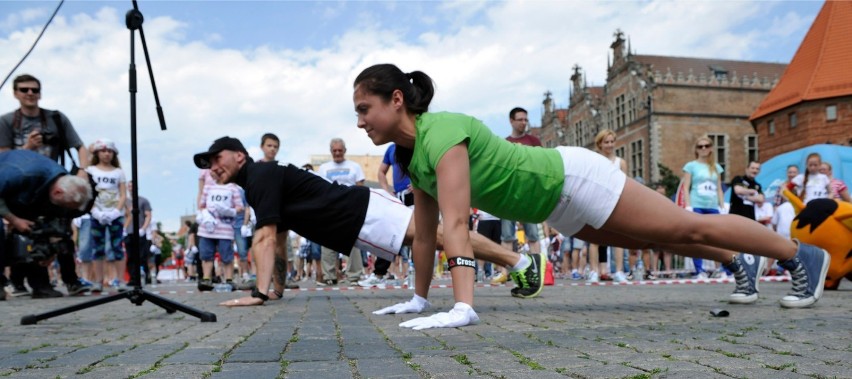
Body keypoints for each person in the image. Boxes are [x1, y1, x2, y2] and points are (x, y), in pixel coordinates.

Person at [352, 63, 831, 329]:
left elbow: (457, 226)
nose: (360, 122)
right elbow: (427, 234)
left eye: (364, 109)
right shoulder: (411, 156)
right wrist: (417, 299)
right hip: (558, 207)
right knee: (652, 241)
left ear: (396, 99)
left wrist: (462, 307)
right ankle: (735, 262)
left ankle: (799, 256)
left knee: (688, 224)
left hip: (575, 179)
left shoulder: (443, 133)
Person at [191, 136, 541, 307]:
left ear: (239, 155)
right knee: (437, 237)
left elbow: (265, 239)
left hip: (362, 212)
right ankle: (520, 262)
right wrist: (276, 289)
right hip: (358, 218)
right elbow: (278, 238)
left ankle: (520, 261)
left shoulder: (260, 176)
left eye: (216, 158)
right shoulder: (259, 180)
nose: (212, 166)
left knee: (438, 236)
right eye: (207, 164)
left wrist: (258, 294)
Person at [0, 74, 92, 297]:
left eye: (34, 89)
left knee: (59, 230)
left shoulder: (56, 118)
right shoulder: (6, 122)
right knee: (23, 230)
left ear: (40, 93)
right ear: (15, 93)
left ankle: (65, 280)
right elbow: (4, 159)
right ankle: (22, 281)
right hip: (19, 185)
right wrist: (28, 146)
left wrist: (82, 171)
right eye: (24, 90)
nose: (30, 93)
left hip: (52, 183)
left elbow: (80, 146)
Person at [0, 150, 93, 297]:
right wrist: (14, 220)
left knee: (38, 231)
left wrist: (51, 249)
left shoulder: (61, 179)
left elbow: (55, 218)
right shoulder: (22, 173)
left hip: (21, 198)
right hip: (5, 187)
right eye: (66, 205)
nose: (65, 209)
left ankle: (40, 285)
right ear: (57, 193)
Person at [360, 143, 414, 288]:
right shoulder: (391, 148)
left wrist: (419, 183)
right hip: (398, 196)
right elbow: (381, 172)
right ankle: (379, 274)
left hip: (417, 195)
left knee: (419, 234)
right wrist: (387, 190)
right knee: (391, 233)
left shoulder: (415, 143)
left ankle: (415, 276)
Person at [318, 138, 367, 285]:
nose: (337, 153)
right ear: (331, 151)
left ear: (345, 151)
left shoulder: (355, 166)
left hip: (350, 208)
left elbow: (360, 188)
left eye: (340, 150)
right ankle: (329, 276)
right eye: (334, 150)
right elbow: (319, 188)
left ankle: (354, 276)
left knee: (353, 242)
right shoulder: (323, 168)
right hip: (330, 207)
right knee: (327, 242)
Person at [681, 135, 725, 279]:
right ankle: (699, 270)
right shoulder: (691, 166)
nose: (704, 148)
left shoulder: (716, 167)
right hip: (696, 204)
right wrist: (688, 206)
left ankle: (720, 269)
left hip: (712, 205)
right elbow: (686, 187)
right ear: (696, 149)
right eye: (700, 146)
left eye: (706, 146)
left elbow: (719, 188)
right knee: (697, 238)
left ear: (711, 148)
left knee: (717, 238)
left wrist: (722, 205)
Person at [86, 139, 127, 292]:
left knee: (117, 247)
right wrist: (95, 211)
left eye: (110, 151)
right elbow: (87, 192)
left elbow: (123, 194)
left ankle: (121, 280)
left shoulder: (118, 172)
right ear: (97, 153)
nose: (106, 154)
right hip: (97, 213)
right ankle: (98, 281)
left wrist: (116, 211)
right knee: (98, 248)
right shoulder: (90, 170)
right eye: (103, 151)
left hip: (115, 214)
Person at [590, 129, 628, 283]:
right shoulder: (595, 160)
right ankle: (593, 271)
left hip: (616, 202)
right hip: (598, 201)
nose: (610, 145)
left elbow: (626, 184)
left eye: (612, 141)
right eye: (606, 142)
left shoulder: (621, 162)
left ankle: (618, 271)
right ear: (600, 144)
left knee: (617, 238)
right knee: (594, 238)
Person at [123, 180, 152, 288]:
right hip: (128, 232)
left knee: (142, 256)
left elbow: (148, 215)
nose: (131, 188)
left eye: (132, 186)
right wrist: (123, 229)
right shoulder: (125, 201)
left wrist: (143, 228)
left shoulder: (143, 201)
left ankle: (145, 276)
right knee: (130, 257)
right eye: (129, 186)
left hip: (140, 232)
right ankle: (133, 278)